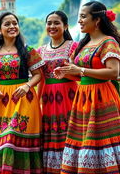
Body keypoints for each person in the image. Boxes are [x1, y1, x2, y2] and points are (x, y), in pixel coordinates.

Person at [54, 1, 120, 173]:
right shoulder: (83, 44)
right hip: (83, 98)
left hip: (102, 97)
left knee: (99, 139)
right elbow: (81, 75)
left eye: (84, 17)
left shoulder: (108, 42)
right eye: (79, 17)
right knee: (83, 139)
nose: (80, 21)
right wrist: (66, 73)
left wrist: (81, 69)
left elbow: (113, 72)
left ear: (97, 20)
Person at [0, 12, 44, 174]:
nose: (12, 27)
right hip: (2, 101)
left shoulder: (28, 50)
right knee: (3, 142)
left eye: (14, 23)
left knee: (13, 139)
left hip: (24, 99)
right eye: (7, 24)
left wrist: (27, 86)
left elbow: (38, 75)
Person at [37, 11, 78, 174]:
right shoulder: (40, 51)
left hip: (70, 95)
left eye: (56, 23)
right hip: (48, 99)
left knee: (70, 130)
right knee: (51, 133)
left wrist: (66, 74)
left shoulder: (73, 46)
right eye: (49, 23)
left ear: (65, 26)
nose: (52, 26)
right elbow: (40, 79)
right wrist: (37, 101)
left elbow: (81, 74)